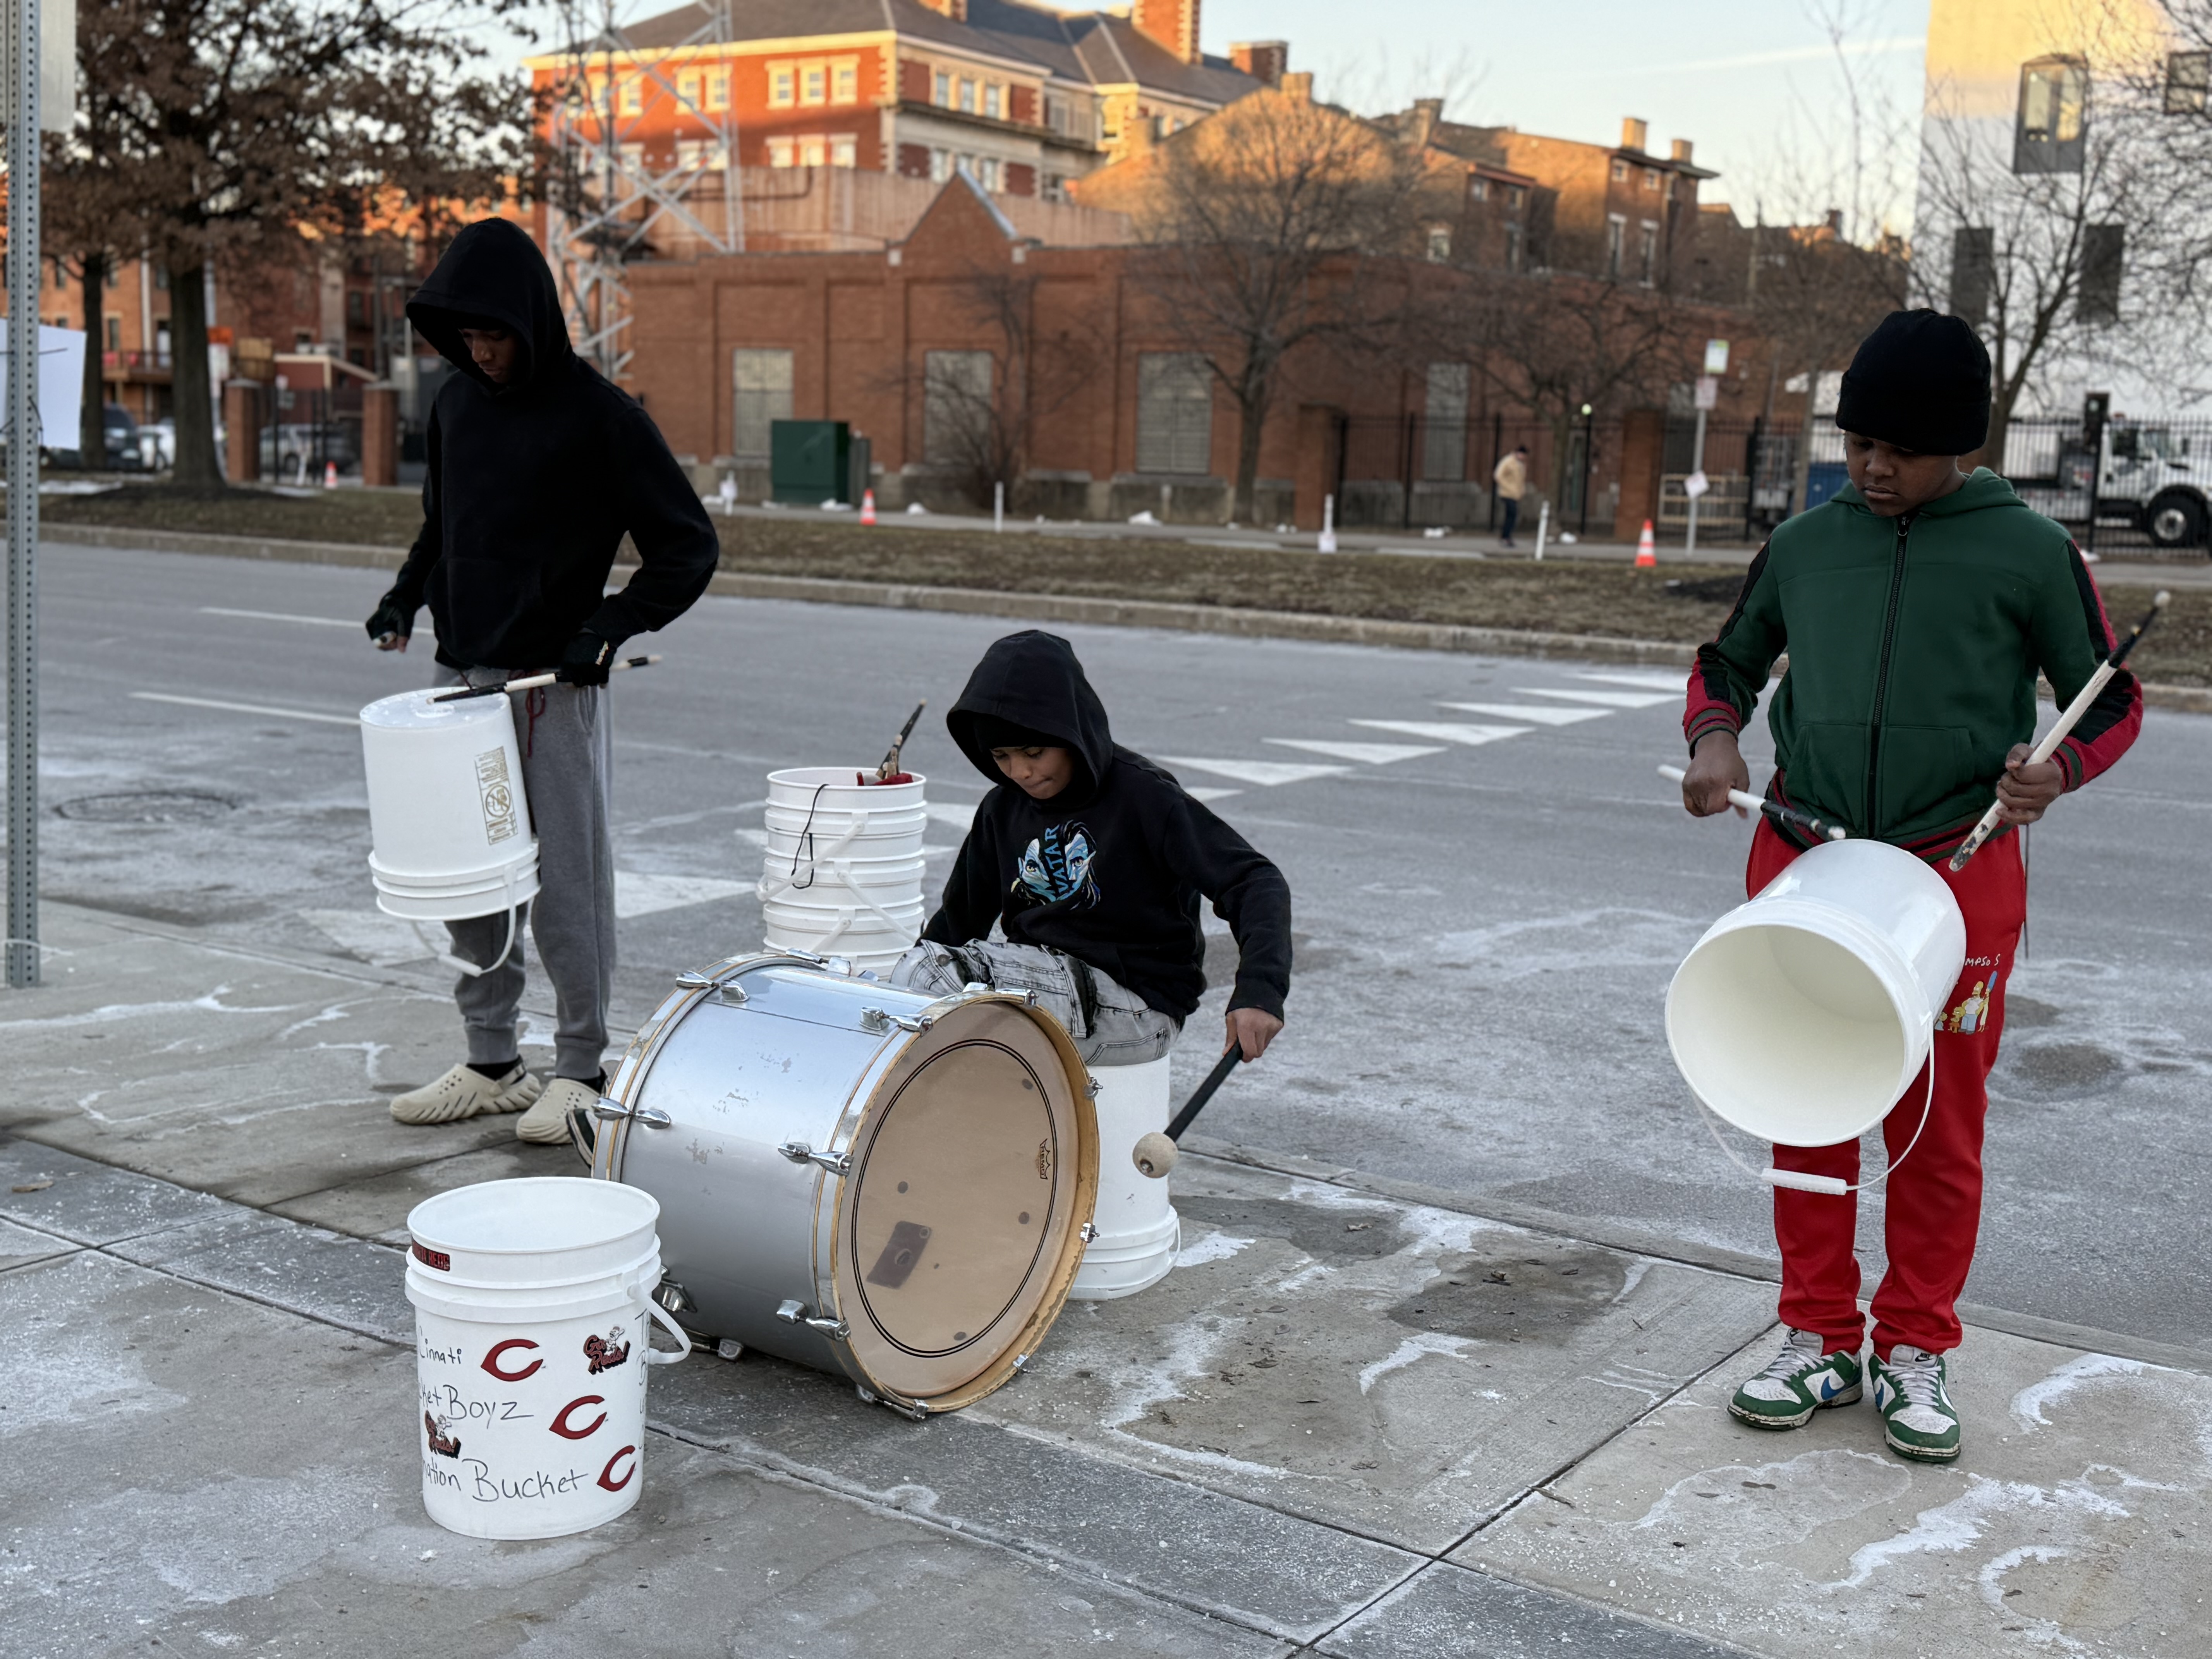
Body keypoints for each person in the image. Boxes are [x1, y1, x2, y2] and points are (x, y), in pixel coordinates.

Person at [1678, 309, 2142, 1464]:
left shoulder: (2030, 554)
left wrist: (2057, 770)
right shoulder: (1804, 544)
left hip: (1955, 870)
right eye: (1856, 444)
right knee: (1804, 1106)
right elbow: (1724, 661)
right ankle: (1815, 1334)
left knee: (1932, 1125)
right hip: (1805, 858)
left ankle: (1914, 1343)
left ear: (1962, 450)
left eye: (1897, 450)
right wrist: (1712, 741)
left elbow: (2113, 699)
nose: (1869, 467)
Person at [364, 218, 719, 1145]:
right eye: (466, 337)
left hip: (551, 686)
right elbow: (443, 527)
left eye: (496, 334)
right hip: (461, 682)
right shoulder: (453, 406)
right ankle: (492, 1062)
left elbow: (687, 549)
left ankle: (582, 1068)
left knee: (568, 881)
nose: (482, 353)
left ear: (532, 320)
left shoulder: (601, 417)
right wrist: (406, 598)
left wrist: (605, 630)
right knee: (469, 877)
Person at [888, 630, 1291, 1071]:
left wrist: (1259, 991)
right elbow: (959, 919)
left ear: (1071, 731)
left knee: (932, 981)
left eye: (1034, 752)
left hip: (1137, 1004)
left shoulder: (1146, 797)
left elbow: (1255, 881)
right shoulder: (1002, 808)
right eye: (1001, 756)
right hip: (1045, 981)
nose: (1020, 771)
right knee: (916, 981)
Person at [1492, 444, 1529, 548]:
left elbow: (1520, 480)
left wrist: (1522, 490)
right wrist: (1508, 487)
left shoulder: (1521, 465)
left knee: (1512, 516)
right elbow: (1498, 475)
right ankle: (1505, 537)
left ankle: (1507, 536)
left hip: (1515, 494)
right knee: (1512, 514)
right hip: (1507, 493)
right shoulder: (1508, 461)